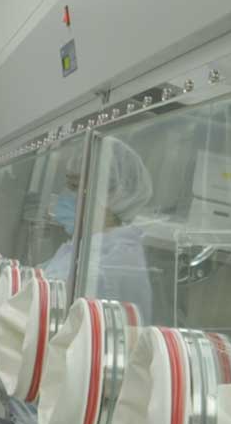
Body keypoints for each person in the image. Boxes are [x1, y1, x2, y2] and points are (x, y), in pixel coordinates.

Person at [43, 137, 157, 322]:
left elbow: (43, 309)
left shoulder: (107, 265)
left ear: (109, 194)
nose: (64, 195)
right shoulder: (87, 248)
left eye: (74, 186)